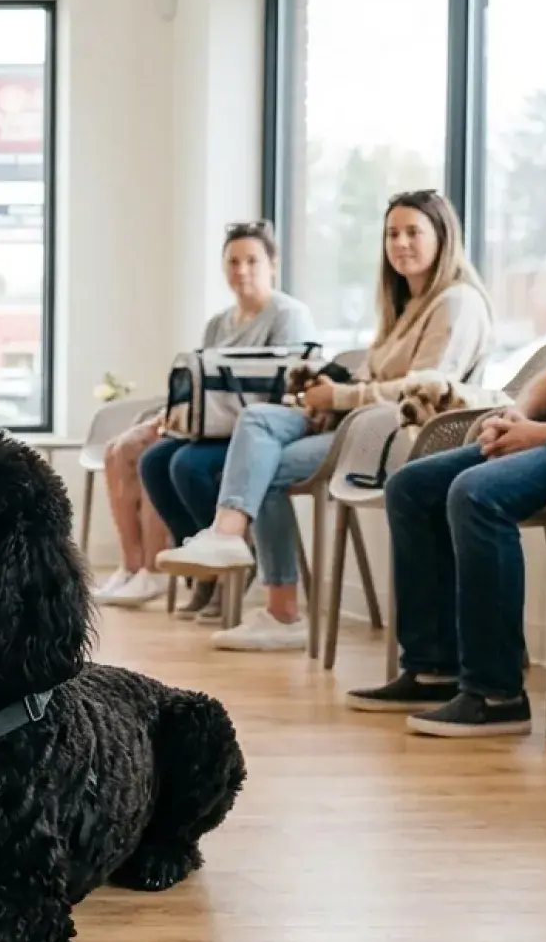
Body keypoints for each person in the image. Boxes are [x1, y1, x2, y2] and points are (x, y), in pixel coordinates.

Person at [156, 190, 492, 651]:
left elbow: (426, 388)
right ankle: (233, 543)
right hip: (358, 421)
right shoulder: (404, 306)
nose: (401, 243)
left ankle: (268, 591)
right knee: (258, 421)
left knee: (263, 464)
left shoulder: (456, 303)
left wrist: (340, 395)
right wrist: (326, 399)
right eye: (392, 233)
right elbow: (376, 376)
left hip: (397, 435)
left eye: (414, 232)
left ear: (443, 237)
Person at [341, 346, 546, 736]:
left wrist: (538, 433)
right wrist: (516, 417)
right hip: (545, 433)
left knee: (475, 492)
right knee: (410, 486)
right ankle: (433, 669)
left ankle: (498, 694)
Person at [102, 221, 316, 614]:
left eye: (252, 261)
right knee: (154, 461)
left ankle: (234, 559)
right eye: (233, 262)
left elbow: (290, 392)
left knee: (186, 466)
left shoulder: (288, 316)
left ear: (273, 264)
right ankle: (203, 573)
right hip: (214, 428)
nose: (242, 271)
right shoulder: (219, 323)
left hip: (259, 434)